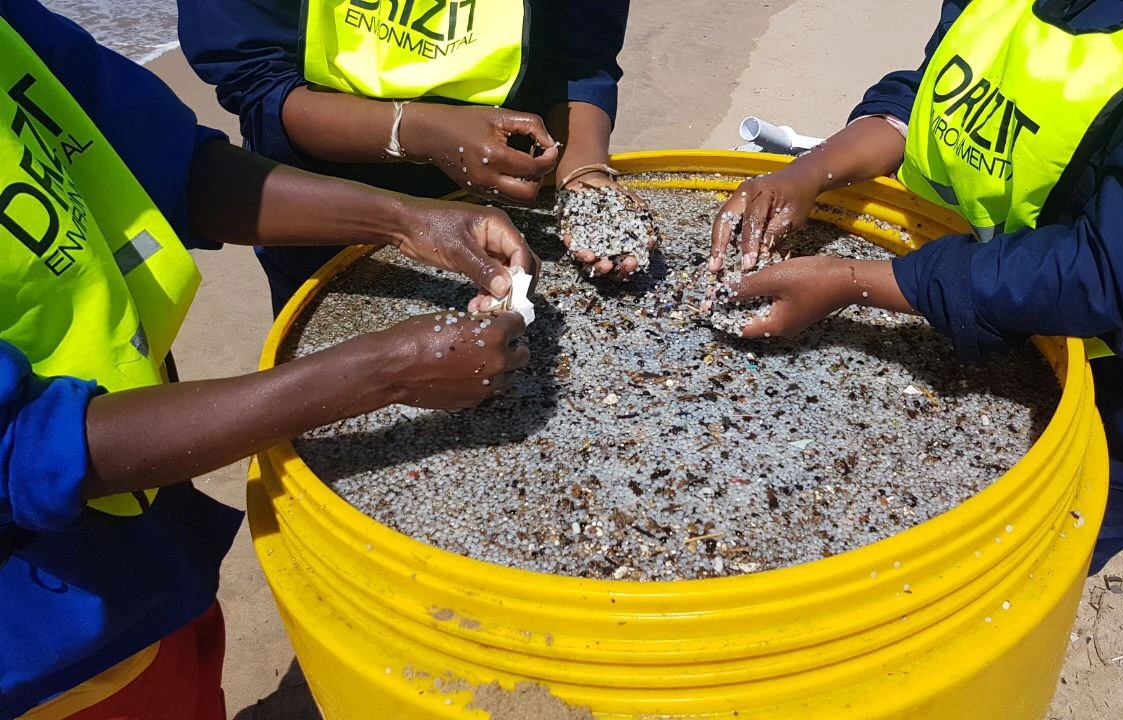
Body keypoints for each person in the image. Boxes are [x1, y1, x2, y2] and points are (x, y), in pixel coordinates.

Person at [707, 0, 1123, 716]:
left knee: (1017, 571)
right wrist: (813, 170)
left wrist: (860, 281)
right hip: (976, 306)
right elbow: (936, 92)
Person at [0, 0, 536, 716]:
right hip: (43, 632)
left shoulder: (12, 28)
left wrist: (409, 221)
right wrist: (382, 371)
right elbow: (26, 449)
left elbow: (172, 165)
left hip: (148, 530)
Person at [178, 0, 643, 314]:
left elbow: (580, 60)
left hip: (519, 200)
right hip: (323, 208)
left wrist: (584, 171)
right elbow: (258, 82)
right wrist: (414, 131)